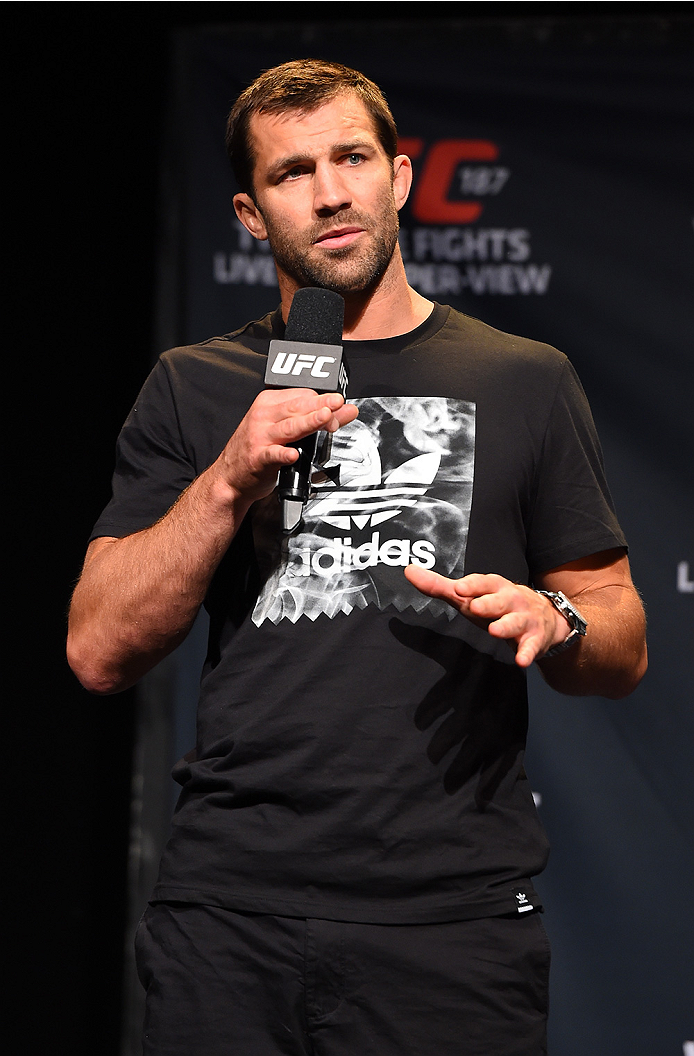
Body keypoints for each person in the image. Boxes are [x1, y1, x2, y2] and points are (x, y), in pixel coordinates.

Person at [67, 59, 647, 1055]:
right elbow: (98, 650)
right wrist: (227, 479)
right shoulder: (193, 387)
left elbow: (620, 635)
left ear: (401, 176)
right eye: (294, 173)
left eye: (351, 158)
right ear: (251, 216)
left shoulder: (525, 378)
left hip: (452, 920)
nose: (331, 193)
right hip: (232, 915)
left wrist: (558, 620)